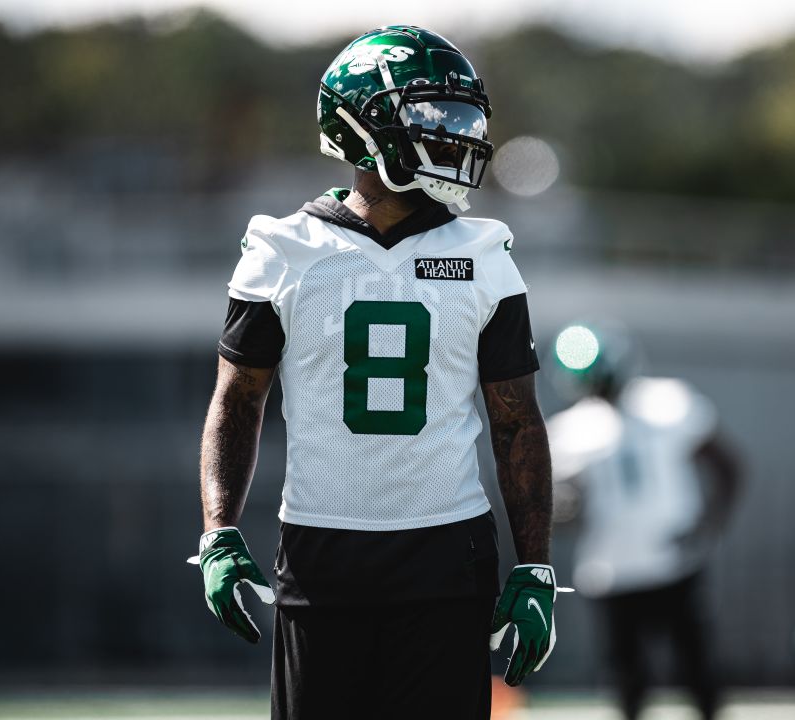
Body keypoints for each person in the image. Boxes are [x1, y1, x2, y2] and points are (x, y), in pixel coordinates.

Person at [188, 26, 560, 720]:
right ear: (363, 128)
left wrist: (535, 562)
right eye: (435, 119)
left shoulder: (483, 252)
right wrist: (218, 530)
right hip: (321, 546)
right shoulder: (284, 249)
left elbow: (517, 419)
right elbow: (237, 401)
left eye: (463, 118)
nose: (458, 137)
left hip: (448, 548)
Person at [545, 322, 742, 720]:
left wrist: (709, 525)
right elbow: (558, 513)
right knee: (628, 679)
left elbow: (727, 465)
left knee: (698, 669)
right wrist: (563, 511)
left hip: (674, 561)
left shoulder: (669, 402)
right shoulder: (568, 432)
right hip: (612, 570)